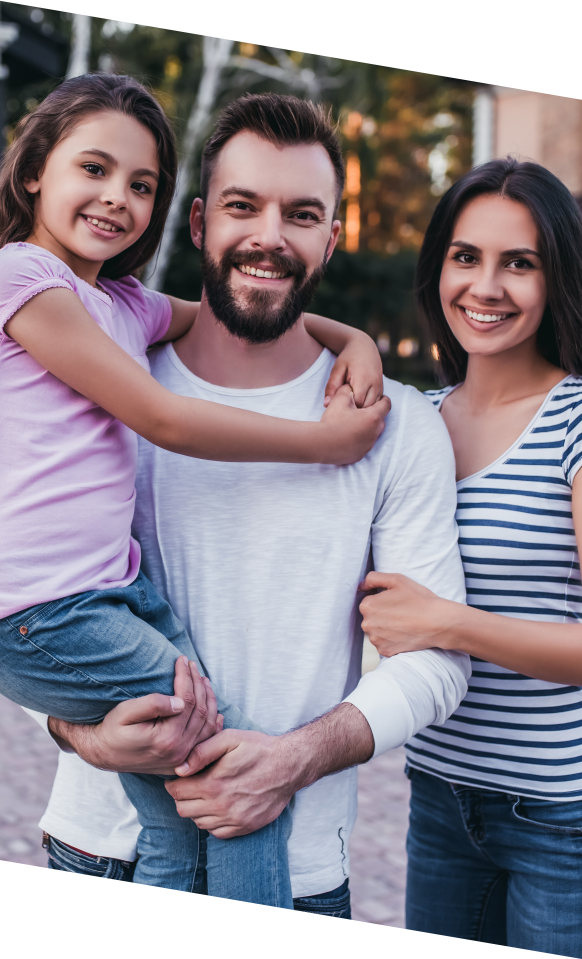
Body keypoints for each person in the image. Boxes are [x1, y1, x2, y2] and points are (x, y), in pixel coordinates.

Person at [41, 92, 471, 918]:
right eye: (244, 206)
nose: (270, 236)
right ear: (200, 221)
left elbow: (439, 661)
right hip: (100, 848)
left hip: (299, 871)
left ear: (332, 238)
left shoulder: (399, 424)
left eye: (301, 213)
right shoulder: (104, 385)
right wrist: (79, 733)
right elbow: (30, 598)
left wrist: (297, 757)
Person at [358, 158, 582, 954]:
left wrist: (446, 623)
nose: (485, 286)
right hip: (440, 796)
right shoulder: (411, 420)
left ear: (557, 278)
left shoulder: (572, 420)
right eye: (466, 256)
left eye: (518, 262)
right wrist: (346, 336)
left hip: (560, 817)